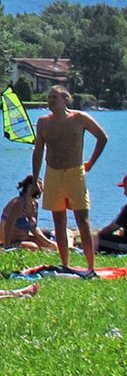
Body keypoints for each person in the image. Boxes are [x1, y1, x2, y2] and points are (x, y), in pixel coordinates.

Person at [31, 84, 110, 273]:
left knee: (82, 219)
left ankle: (90, 267)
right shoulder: (43, 122)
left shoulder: (79, 118)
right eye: (49, 97)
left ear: (66, 99)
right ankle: (65, 264)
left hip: (75, 173)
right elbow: (38, 151)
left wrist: (90, 162)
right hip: (53, 172)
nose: (50, 101)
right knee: (59, 220)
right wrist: (35, 179)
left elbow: (102, 138)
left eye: (54, 97)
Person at [0, 174, 56, 251]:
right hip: (8, 241)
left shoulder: (35, 204)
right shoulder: (18, 203)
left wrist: (47, 242)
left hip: (24, 238)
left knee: (51, 245)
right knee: (33, 246)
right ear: (30, 187)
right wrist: (7, 246)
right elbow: (8, 225)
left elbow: (33, 228)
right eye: (40, 186)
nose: (42, 189)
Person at [96, 174, 127, 255]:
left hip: (124, 246)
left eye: (125, 189)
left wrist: (97, 234)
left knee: (95, 237)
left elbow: (110, 229)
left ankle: (90, 253)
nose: (124, 193)